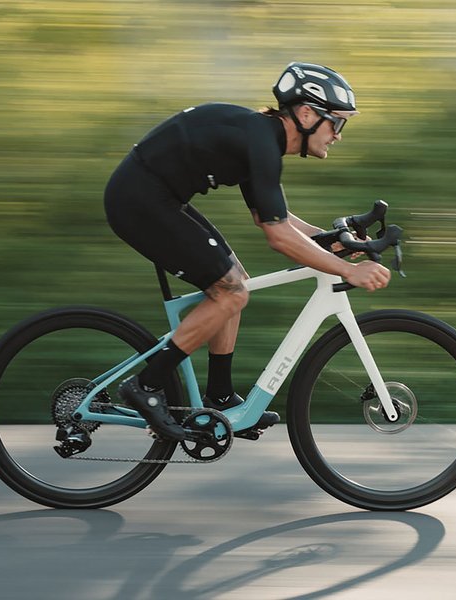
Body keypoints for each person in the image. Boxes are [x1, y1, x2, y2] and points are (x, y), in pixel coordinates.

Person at [103, 61, 391, 441]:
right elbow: (278, 237)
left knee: (236, 281)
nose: (337, 135)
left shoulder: (262, 138)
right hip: (139, 201)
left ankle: (220, 398)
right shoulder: (262, 142)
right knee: (231, 292)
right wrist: (347, 270)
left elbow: (273, 217)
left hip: (155, 197)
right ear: (306, 114)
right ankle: (147, 384)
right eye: (336, 122)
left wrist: (329, 239)